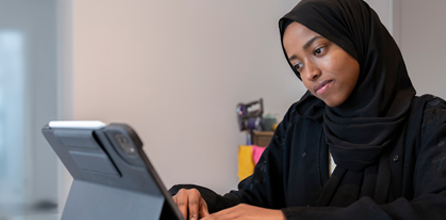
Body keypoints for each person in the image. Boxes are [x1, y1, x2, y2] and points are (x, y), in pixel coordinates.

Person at [170, 0, 446, 219]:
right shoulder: (301, 121)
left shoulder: (428, 121)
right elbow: (252, 202)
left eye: (318, 51)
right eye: (297, 65)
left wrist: (288, 218)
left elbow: (436, 210)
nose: (309, 74)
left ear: (357, 39)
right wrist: (195, 200)